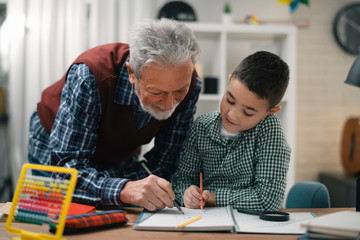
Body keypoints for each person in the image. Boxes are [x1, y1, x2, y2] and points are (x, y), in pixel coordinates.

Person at [28, 18, 201, 211]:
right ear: (132, 74)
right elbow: (63, 175)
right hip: (58, 142)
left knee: (120, 215)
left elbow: (167, 161)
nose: (170, 104)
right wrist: (124, 190)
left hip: (120, 149)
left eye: (179, 90)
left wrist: (147, 189)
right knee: (58, 211)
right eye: (156, 92)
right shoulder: (89, 76)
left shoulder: (192, 85)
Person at [172, 51, 291, 212]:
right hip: (204, 220)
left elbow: (268, 200)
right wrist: (187, 194)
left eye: (248, 112)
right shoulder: (201, 127)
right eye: (230, 99)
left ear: (271, 111)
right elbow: (182, 181)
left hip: (253, 226)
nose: (232, 115)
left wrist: (213, 198)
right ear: (229, 82)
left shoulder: (270, 130)